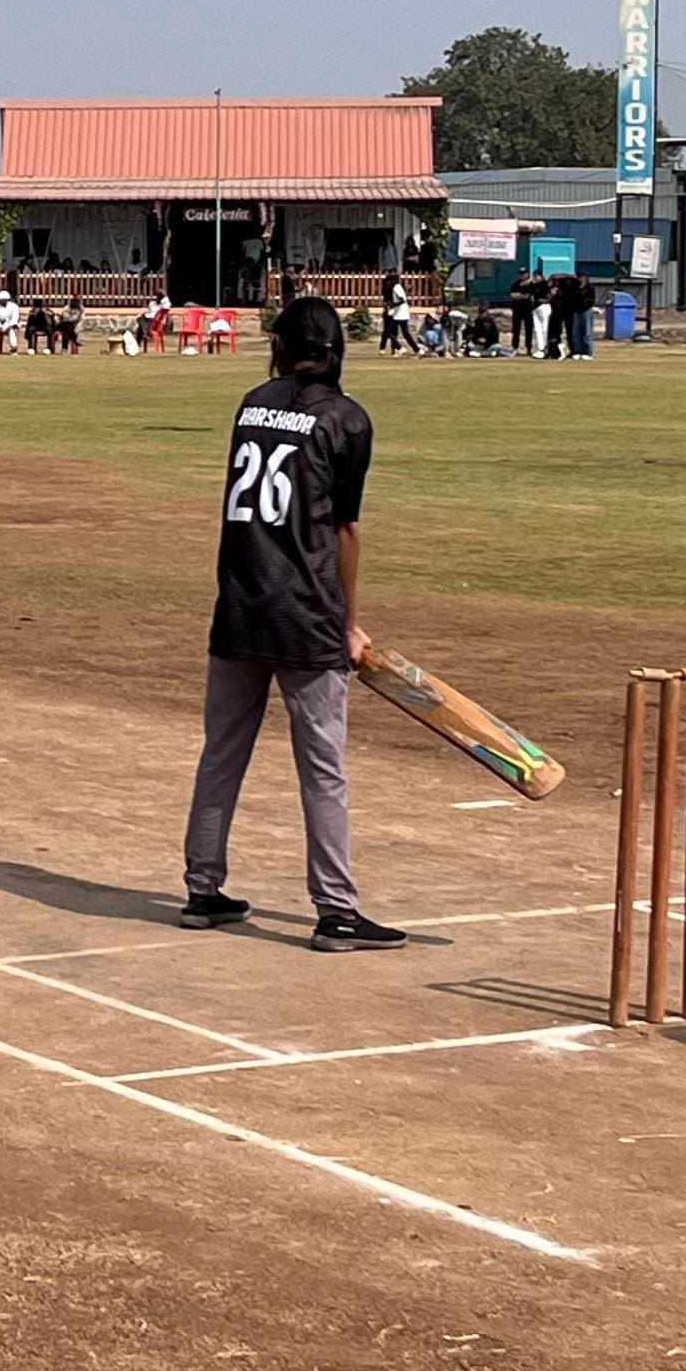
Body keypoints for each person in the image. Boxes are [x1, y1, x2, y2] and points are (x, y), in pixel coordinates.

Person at [179, 296, 397, 952]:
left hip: (240, 604)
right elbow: (344, 530)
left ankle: (202, 888)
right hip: (306, 613)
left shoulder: (251, 405)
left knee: (222, 752)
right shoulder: (348, 420)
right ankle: (336, 910)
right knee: (323, 767)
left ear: (280, 348)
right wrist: (350, 623)